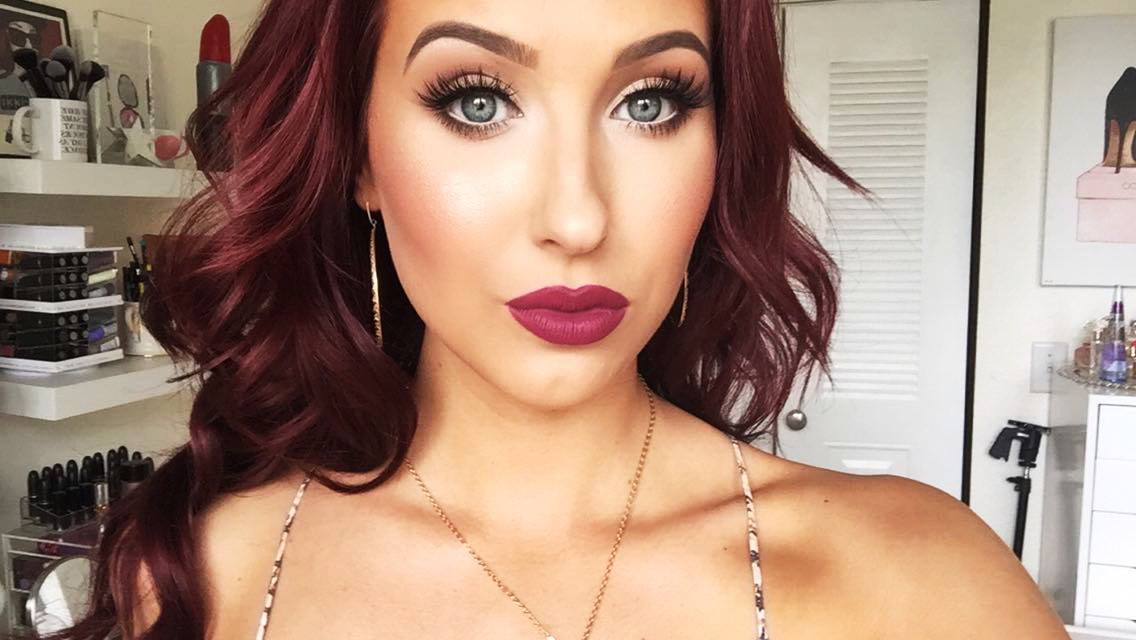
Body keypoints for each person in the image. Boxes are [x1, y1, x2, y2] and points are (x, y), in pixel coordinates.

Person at [59, 1, 1071, 639]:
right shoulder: (202, 574)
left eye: (650, 103)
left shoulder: (924, 584)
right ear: (358, 156)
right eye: (476, 102)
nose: (578, 219)